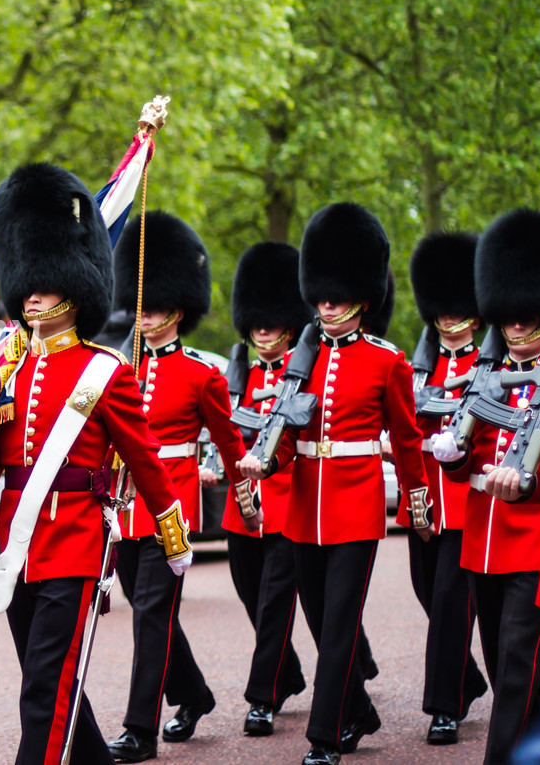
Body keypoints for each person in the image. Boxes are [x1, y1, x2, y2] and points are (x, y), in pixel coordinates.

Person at [0, 163, 190, 765]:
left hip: (76, 541)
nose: (32, 293)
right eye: (26, 282)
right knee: (52, 684)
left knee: (44, 694)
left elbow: (146, 460)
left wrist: (172, 530)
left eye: (46, 284)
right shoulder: (5, 364)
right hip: (15, 542)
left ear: (74, 288)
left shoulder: (104, 370)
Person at [238, 202, 428, 765]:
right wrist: (264, 464)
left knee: (341, 624)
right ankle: (360, 712)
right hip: (303, 505)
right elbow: (288, 435)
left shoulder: (385, 362)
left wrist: (416, 503)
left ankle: (324, 737)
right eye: (321, 294)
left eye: (337, 296)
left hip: (354, 504)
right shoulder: (299, 360)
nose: (326, 303)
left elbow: (408, 438)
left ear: (362, 299)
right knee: (322, 623)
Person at [104, 211, 248, 763]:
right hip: (125, 504)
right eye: (140, 306)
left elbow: (229, 441)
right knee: (151, 610)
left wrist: (242, 491)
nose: (145, 316)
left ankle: (139, 730)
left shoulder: (201, 374)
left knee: (150, 614)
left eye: (155, 308)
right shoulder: (118, 366)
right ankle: (194, 694)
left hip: (173, 506)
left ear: (177, 311)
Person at [437, 208, 540, 765]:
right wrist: (454, 455)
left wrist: (526, 485)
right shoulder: (485, 377)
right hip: (482, 542)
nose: (515, 326)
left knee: (517, 671)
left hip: (537, 542)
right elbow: (464, 456)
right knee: (505, 671)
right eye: (507, 316)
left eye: (525, 316)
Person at [221, 241, 311, 737]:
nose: (261, 330)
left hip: (287, 501)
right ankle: (292, 671)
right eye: (256, 322)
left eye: (271, 323)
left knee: (276, 600)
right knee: (250, 593)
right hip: (244, 505)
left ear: (289, 324)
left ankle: (264, 697)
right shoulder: (243, 371)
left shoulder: (305, 369)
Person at [403, 231, 488, 745]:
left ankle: (444, 707)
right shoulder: (420, 365)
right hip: (422, 502)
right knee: (426, 593)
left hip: (463, 502)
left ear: (475, 317)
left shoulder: (488, 365)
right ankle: (470, 679)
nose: (449, 322)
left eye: (458, 313)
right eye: (442, 313)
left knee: (452, 603)